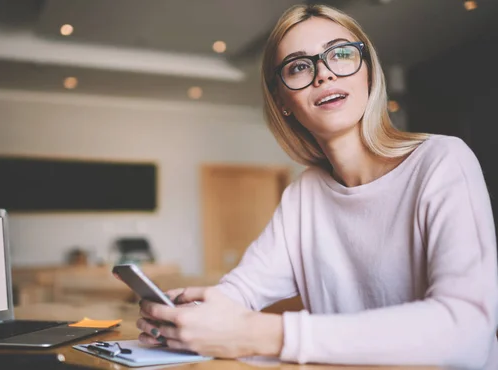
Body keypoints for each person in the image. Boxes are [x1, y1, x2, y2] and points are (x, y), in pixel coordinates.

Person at [136, 4, 498, 368]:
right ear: (283, 102)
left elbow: (466, 329)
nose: (323, 74)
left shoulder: (442, 160)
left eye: (340, 54)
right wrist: (188, 317)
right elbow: (241, 291)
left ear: (369, 73)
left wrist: (266, 334)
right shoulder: (304, 195)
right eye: (298, 66)